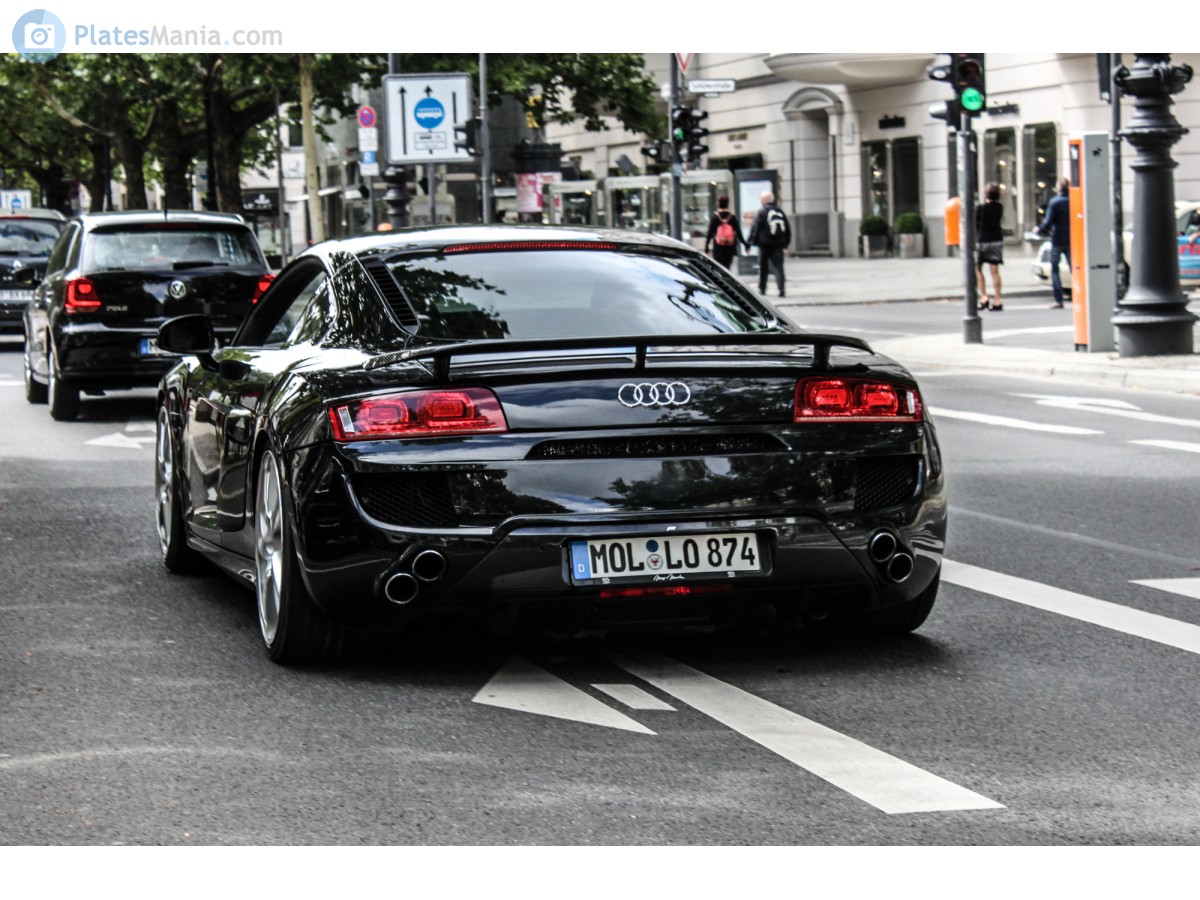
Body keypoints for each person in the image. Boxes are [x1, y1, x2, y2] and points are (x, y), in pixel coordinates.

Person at [1036, 177, 1072, 309]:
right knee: (1075, 268)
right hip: (1071, 239)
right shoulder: (1073, 200)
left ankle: (1059, 299)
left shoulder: (1054, 202)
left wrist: (1039, 229)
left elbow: (1048, 221)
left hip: (1057, 239)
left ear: (1058, 188)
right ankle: (1081, 294)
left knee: (1055, 269)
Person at [747, 190, 791, 297]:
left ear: (764, 200)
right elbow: (787, 229)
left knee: (763, 267)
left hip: (764, 245)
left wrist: (749, 243)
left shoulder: (761, 212)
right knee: (778, 267)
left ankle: (762, 289)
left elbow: (755, 228)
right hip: (778, 245)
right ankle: (781, 289)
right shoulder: (780, 211)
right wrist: (786, 244)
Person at [975, 183, 1005, 311]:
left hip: (983, 241)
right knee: (995, 271)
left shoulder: (981, 208)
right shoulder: (999, 207)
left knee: (978, 269)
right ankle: (997, 299)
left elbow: (976, 223)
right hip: (997, 240)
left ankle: (984, 297)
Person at [704, 194, 748, 270]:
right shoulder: (732, 217)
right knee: (727, 268)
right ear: (728, 204)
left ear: (718, 204)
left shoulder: (715, 217)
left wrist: (706, 247)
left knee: (719, 269)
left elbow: (710, 233)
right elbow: (738, 233)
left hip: (718, 248)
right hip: (730, 247)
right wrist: (745, 244)